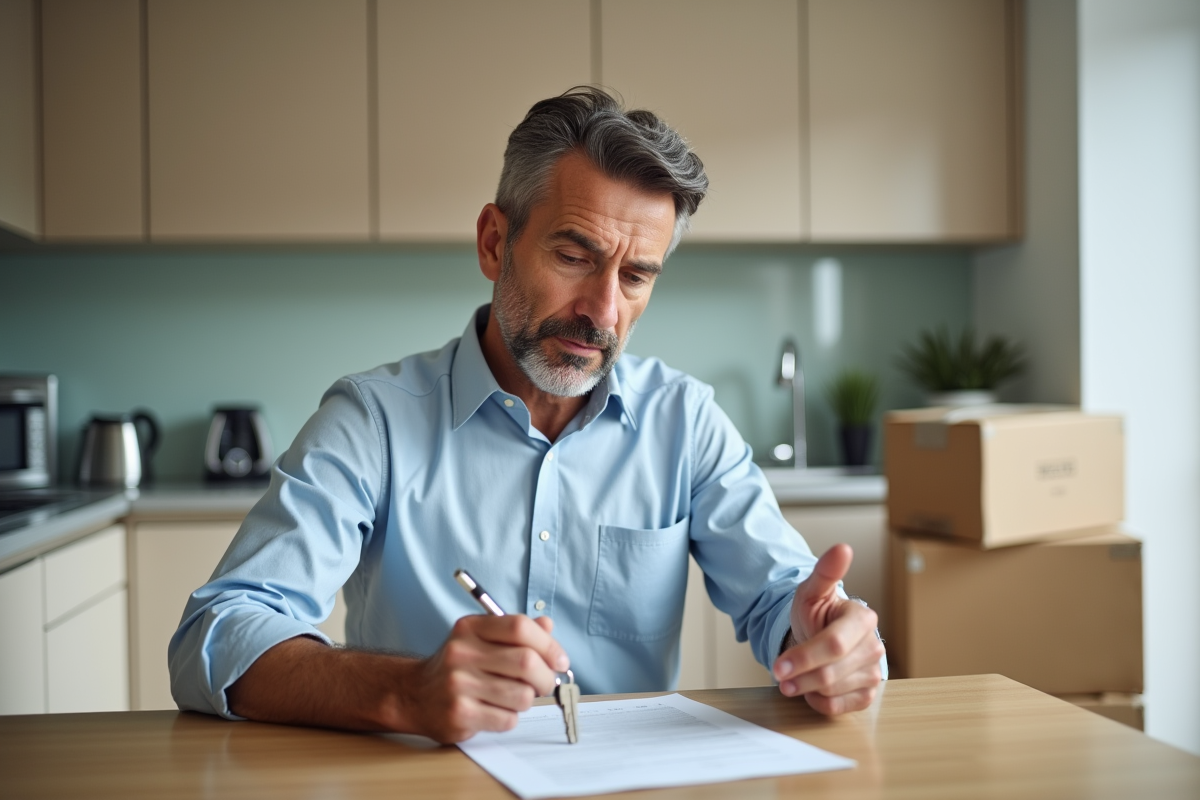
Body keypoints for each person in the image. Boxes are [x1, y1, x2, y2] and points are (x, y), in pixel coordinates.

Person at [169, 87, 886, 743]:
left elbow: (782, 604)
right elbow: (217, 633)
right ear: (493, 242)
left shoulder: (685, 423)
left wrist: (824, 643)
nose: (603, 312)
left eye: (636, 276)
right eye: (575, 256)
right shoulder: (373, 422)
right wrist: (404, 691)